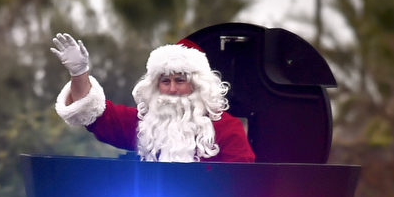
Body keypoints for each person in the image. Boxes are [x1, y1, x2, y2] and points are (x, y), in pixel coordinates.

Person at [51, 32, 256, 163]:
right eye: (165, 81)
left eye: (180, 80)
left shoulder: (227, 128)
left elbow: (240, 184)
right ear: (155, 86)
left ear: (197, 84)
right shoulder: (144, 123)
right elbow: (93, 112)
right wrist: (79, 72)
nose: (172, 89)